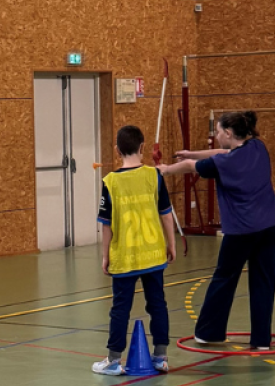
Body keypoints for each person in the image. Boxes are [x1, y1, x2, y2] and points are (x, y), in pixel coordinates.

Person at [160, 111, 275, 350]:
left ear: (228, 133)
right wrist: (192, 153)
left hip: (242, 230)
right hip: (269, 225)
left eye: (217, 132)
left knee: (224, 278)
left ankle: (209, 332)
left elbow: (191, 167)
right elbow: (222, 153)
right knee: (264, 283)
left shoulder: (224, 164)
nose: (216, 136)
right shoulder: (257, 147)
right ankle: (261, 341)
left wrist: (165, 169)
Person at [92, 125, 178, 376]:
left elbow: (106, 224)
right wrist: (171, 244)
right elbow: (166, 215)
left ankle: (113, 360)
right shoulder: (154, 176)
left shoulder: (110, 182)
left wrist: (105, 255)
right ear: (142, 147)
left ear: (117, 150)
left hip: (125, 257)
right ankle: (161, 356)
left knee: (120, 308)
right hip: (153, 255)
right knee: (157, 304)